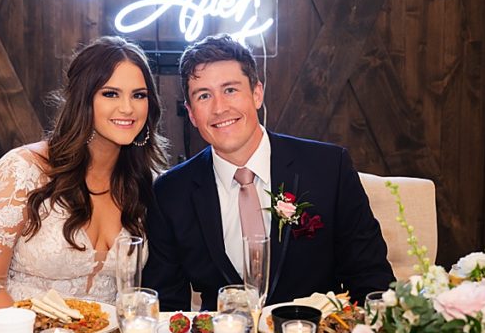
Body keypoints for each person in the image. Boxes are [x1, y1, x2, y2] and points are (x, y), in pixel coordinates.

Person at [143, 34, 395, 312]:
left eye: (230, 90)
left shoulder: (328, 167)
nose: (219, 108)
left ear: (257, 93)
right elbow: (166, 307)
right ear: (191, 113)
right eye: (204, 96)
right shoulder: (170, 192)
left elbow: (372, 280)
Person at [0, 36, 167, 313]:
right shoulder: (23, 170)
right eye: (110, 94)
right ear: (83, 99)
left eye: (139, 95)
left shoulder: (146, 183)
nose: (128, 108)